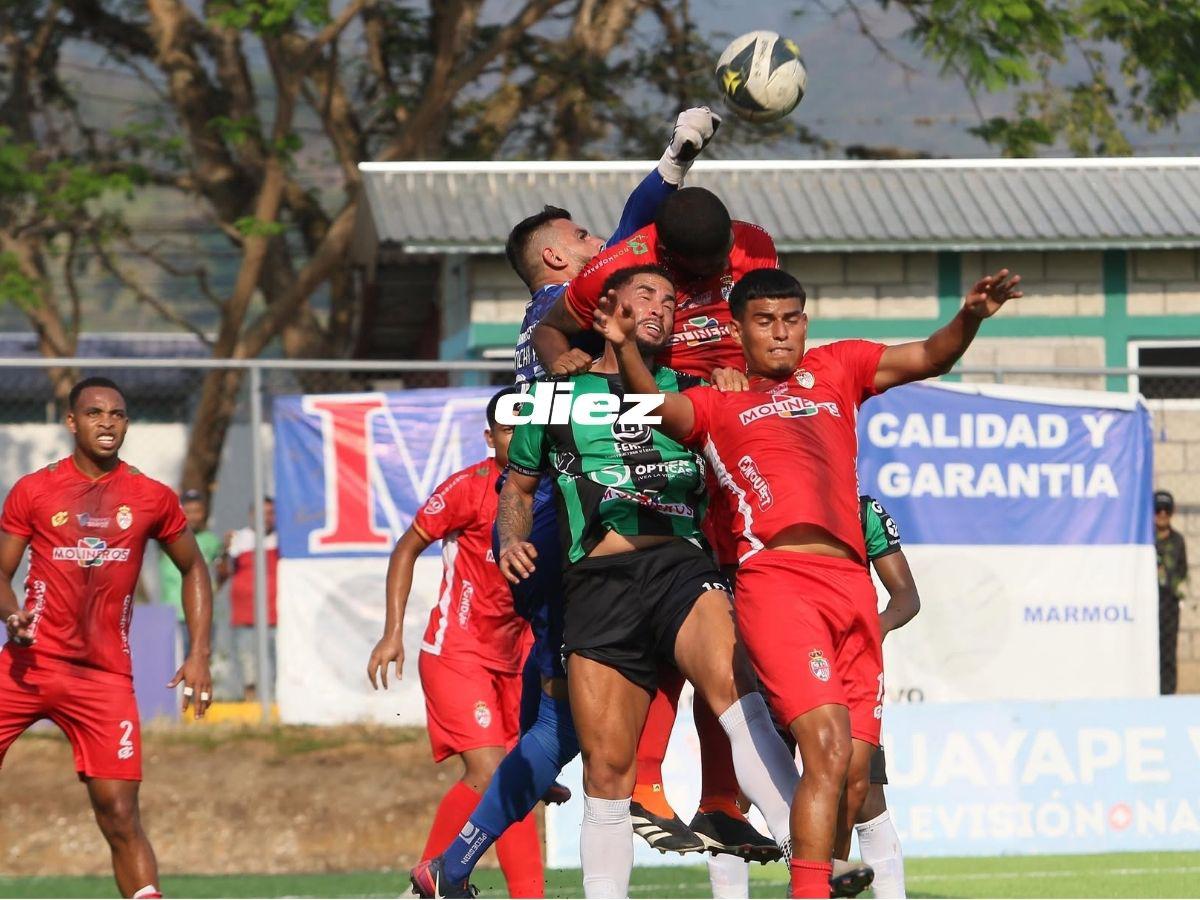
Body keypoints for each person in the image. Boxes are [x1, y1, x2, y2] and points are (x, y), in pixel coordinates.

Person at [599, 265, 1022, 897]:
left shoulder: (839, 367)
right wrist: (627, 346)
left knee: (855, 772)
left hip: (852, 585)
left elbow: (932, 356)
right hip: (778, 580)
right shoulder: (718, 400)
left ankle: (822, 879)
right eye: (764, 321)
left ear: (806, 323)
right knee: (824, 749)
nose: (779, 333)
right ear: (738, 328)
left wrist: (970, 317)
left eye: (791, 320)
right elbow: (654, 408)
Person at [409, 107, 738, 900]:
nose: (606, 246)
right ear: (559, 257)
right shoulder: (568, 312)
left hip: (569, 515)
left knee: (561, 725)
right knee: (612, 693)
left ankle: (449, 866)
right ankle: (655, 789)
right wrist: (677, 154)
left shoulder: (554, 327)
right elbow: (638, 222)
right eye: (587, 238)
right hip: (574, 520)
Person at [500, 266, 800, 899]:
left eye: (670, 299)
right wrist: (510, 536)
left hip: (680, 567)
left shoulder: (695, 391)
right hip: (596, 582)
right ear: (609, 306)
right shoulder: (557, 395)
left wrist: (733, 386)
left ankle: (812, 853)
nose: (662, 306)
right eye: (647, 296)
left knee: (737, 694)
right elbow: (519, 486)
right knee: (607, 774)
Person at [536, 185, 781, 861]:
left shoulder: (753, 248)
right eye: (678, 281)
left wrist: (750, 381)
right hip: (657, 439)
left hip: (719, 437)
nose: (693, 289)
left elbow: (767, 326)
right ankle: (632, 780)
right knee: (616, 638)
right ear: (661, 252)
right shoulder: (617, 270)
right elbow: (553, 327)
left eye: (703, 278)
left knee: (730, 636)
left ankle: (722, 802)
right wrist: (560, 357)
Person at [0, 376, 213, 900]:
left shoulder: (149, 496)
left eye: (117, 415)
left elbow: (194, 569)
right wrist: (11, 616)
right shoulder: (34, 490)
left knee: (120, 813)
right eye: (94, 414)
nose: (107, 424)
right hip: (27, 667)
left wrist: (199, 654)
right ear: (71, 422)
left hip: (102, 679)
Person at [369, 392, 541, 899]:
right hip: (457, 650)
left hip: (518, 659)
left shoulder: (551, 489)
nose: (518, 438)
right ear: (491, 439)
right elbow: (408, 546)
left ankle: (437, 884)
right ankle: (466, 882)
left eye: (526, 428)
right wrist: (392, 631)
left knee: (510, 783)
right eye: (507, 431)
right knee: (495, 772)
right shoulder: (469, 488)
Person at [218, 498, 278, 702]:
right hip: (246, 615)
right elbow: (223, 573)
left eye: (271, 513)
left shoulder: (282, 539)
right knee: (248, 666)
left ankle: (276, 705)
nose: (267, 518)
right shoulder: (239, 539)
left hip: (276, 616)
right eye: (263, 513)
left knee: (278, 665)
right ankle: (251, 705)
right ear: (252, 515)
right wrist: (224, 551)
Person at [157, 489, 222, 660]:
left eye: (197, 511)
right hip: (173, 614)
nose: (193, 516)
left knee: (199, 661)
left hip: (200, 612)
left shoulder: (212, 541)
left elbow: (222, 570)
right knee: (173, 662)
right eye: (188, 512)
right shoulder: (168, 537)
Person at [1155, 489, 1188, 695]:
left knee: (1168, 650)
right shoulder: (1145, 539)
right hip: (1149, 602)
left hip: (1169, 604)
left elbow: (1183, 572)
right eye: (1158, 509)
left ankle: (1167, 694)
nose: (1162, 514)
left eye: (1167, 509)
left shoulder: (1177, 540)